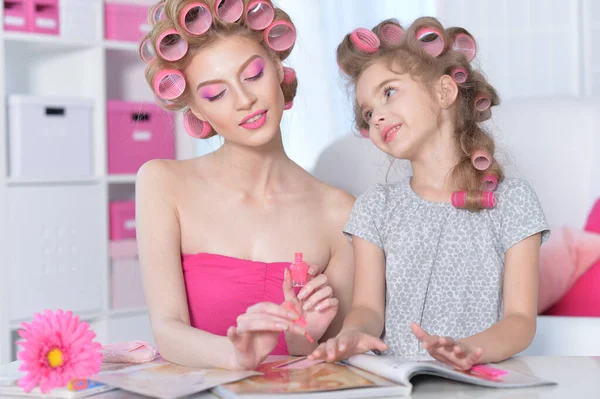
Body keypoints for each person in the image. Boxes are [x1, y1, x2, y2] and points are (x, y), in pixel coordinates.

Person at [308, 17, 550, 370]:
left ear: (444, 92)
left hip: (479, 383)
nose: (376, 118)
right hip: (396, 384)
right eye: (368, 112)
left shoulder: (511, 202)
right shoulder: (376, 207)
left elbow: (520, 321)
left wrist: (467, 351)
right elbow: (368, 308)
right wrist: (353, 332)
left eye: (389, 92)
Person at [135, 0, 354, 370]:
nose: (245, 99)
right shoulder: (162, 183)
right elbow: (167, 328)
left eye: (252, 74)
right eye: (215, 94)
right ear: (196, 109)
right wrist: (238, 356)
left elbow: (323, 358)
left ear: (277, 67)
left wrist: (305, 336)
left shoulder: (340, 212)